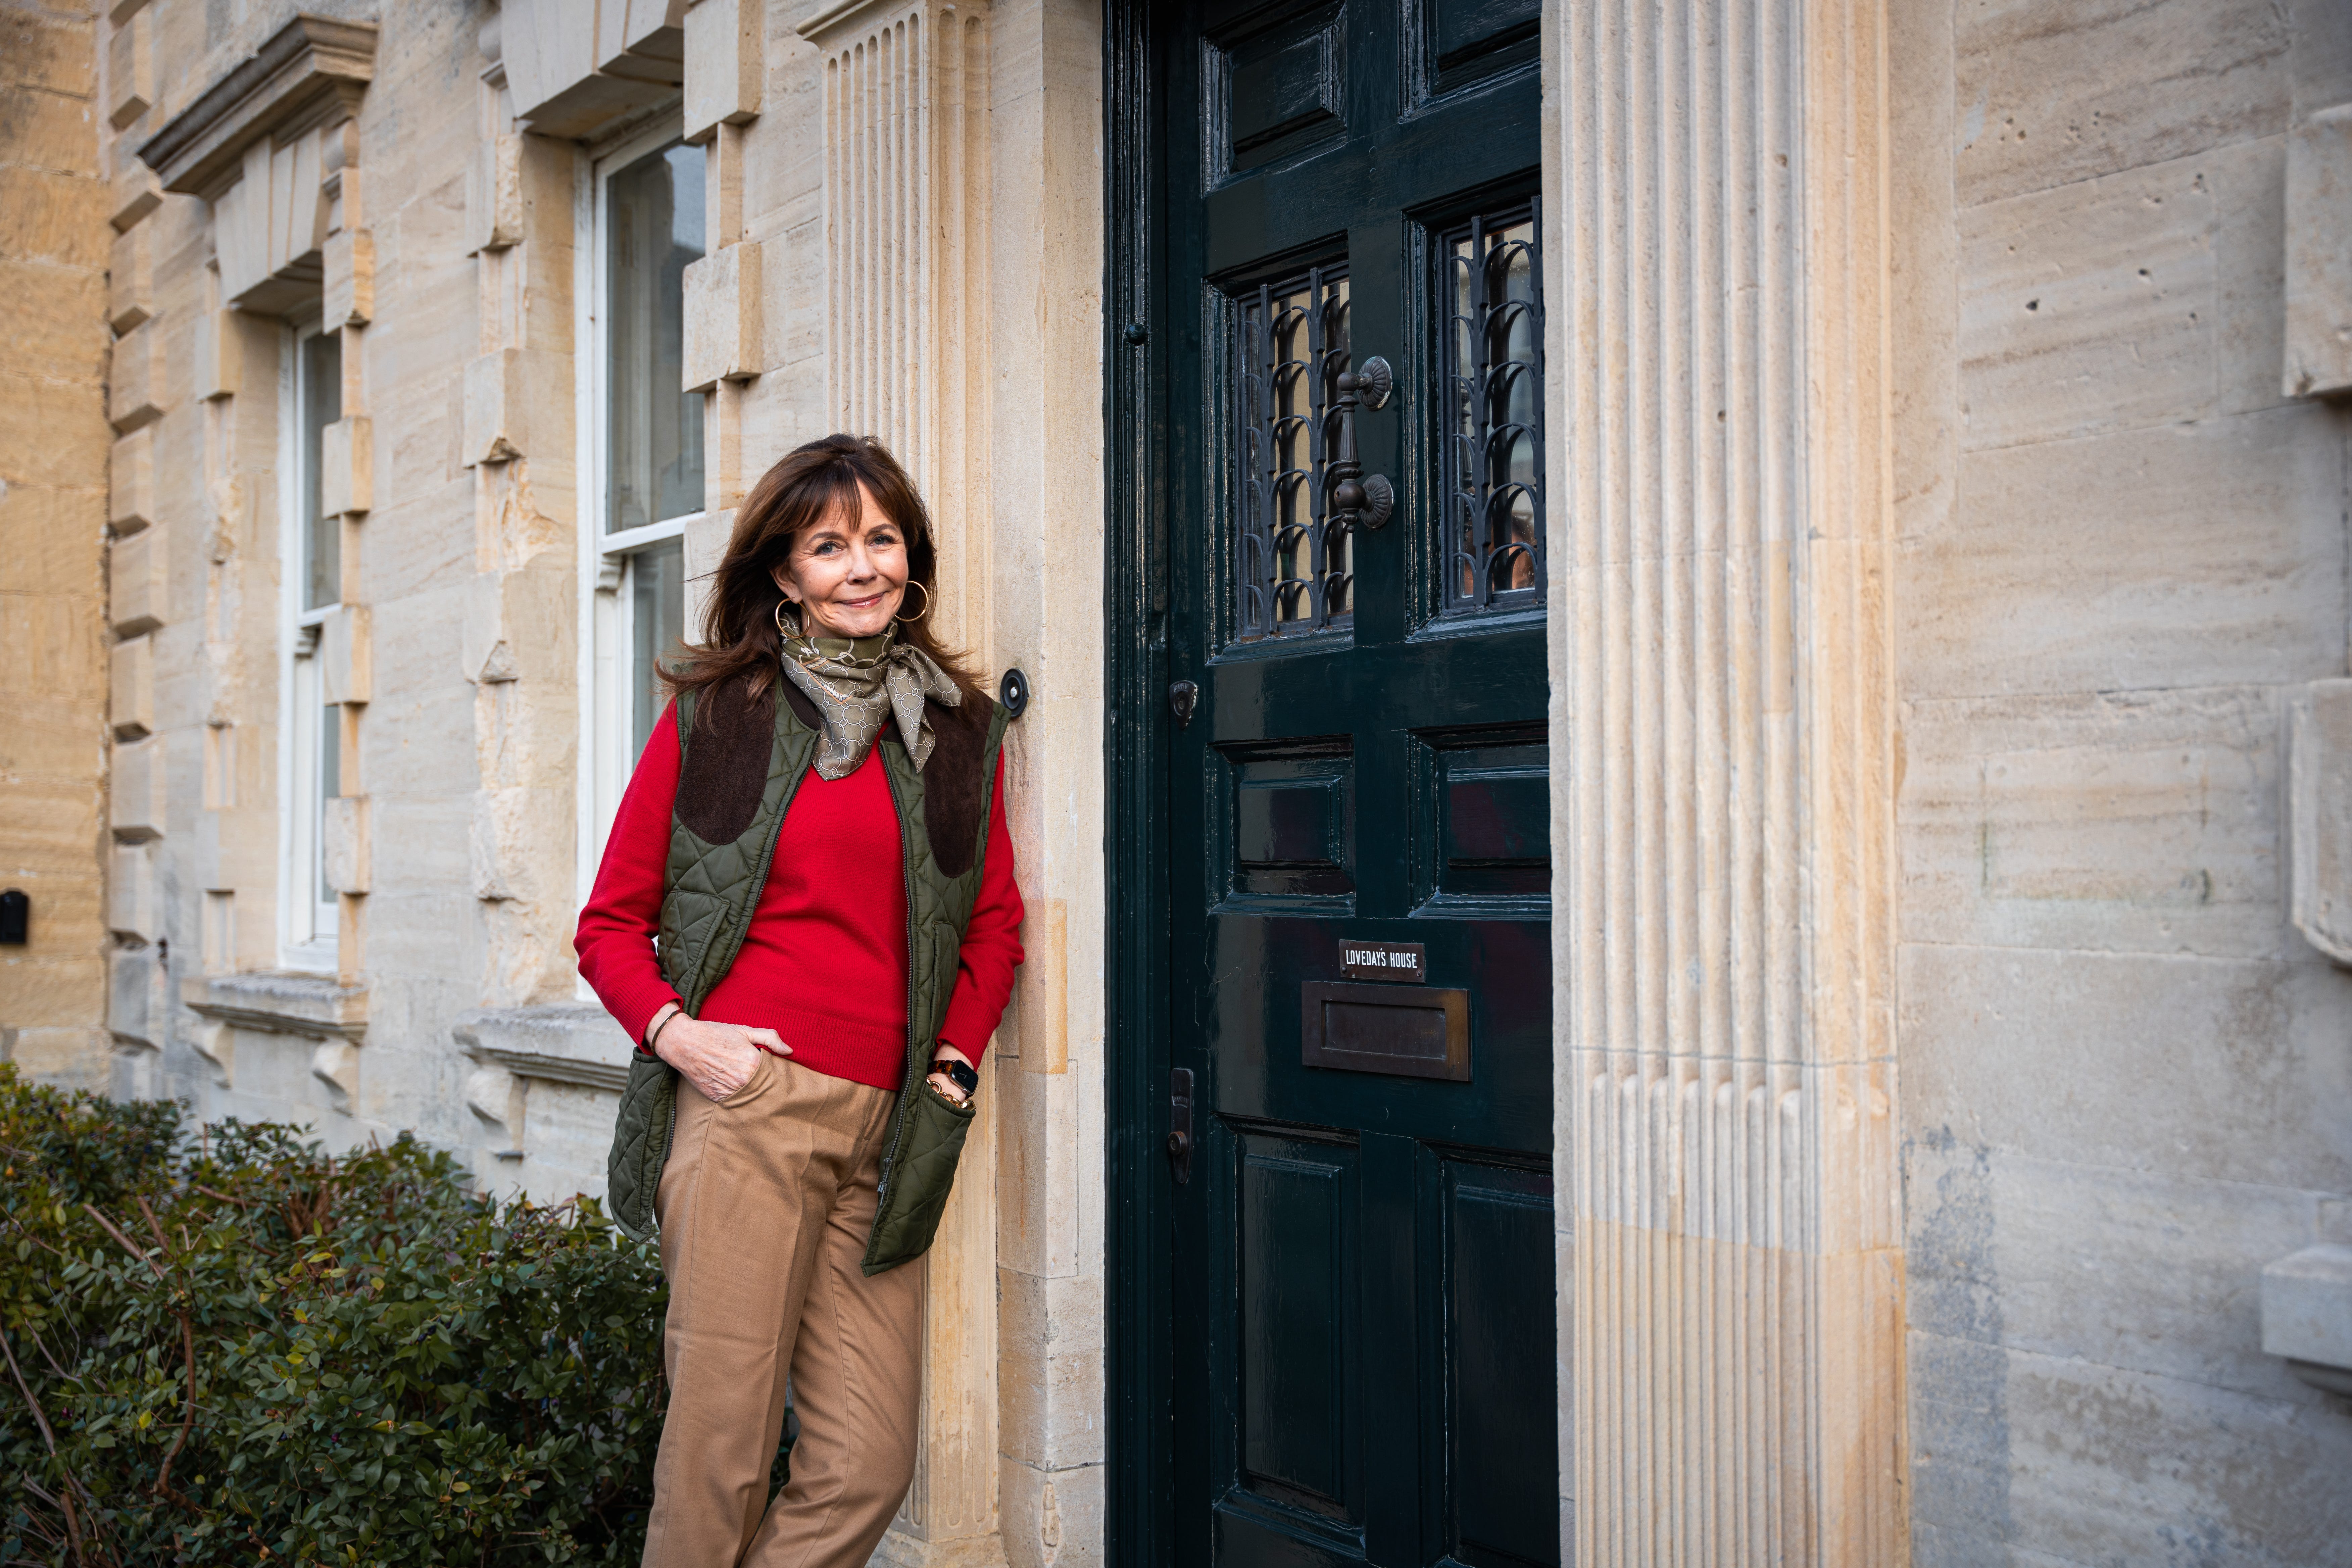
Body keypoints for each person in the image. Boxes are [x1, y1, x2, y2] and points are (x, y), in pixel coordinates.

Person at [577, 434, 1024, 1567]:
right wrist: (688, 1042)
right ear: (786, 575)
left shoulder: (958, 730)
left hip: (889, 1134)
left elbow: (993, 922)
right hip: (749, 1114)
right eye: (829, 546)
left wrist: (955, 1066)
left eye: (880, 540)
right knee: (718, 1455)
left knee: (866, 1465)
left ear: (910, 559)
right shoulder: (721, 713)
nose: (860, 566)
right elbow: (609, 926)